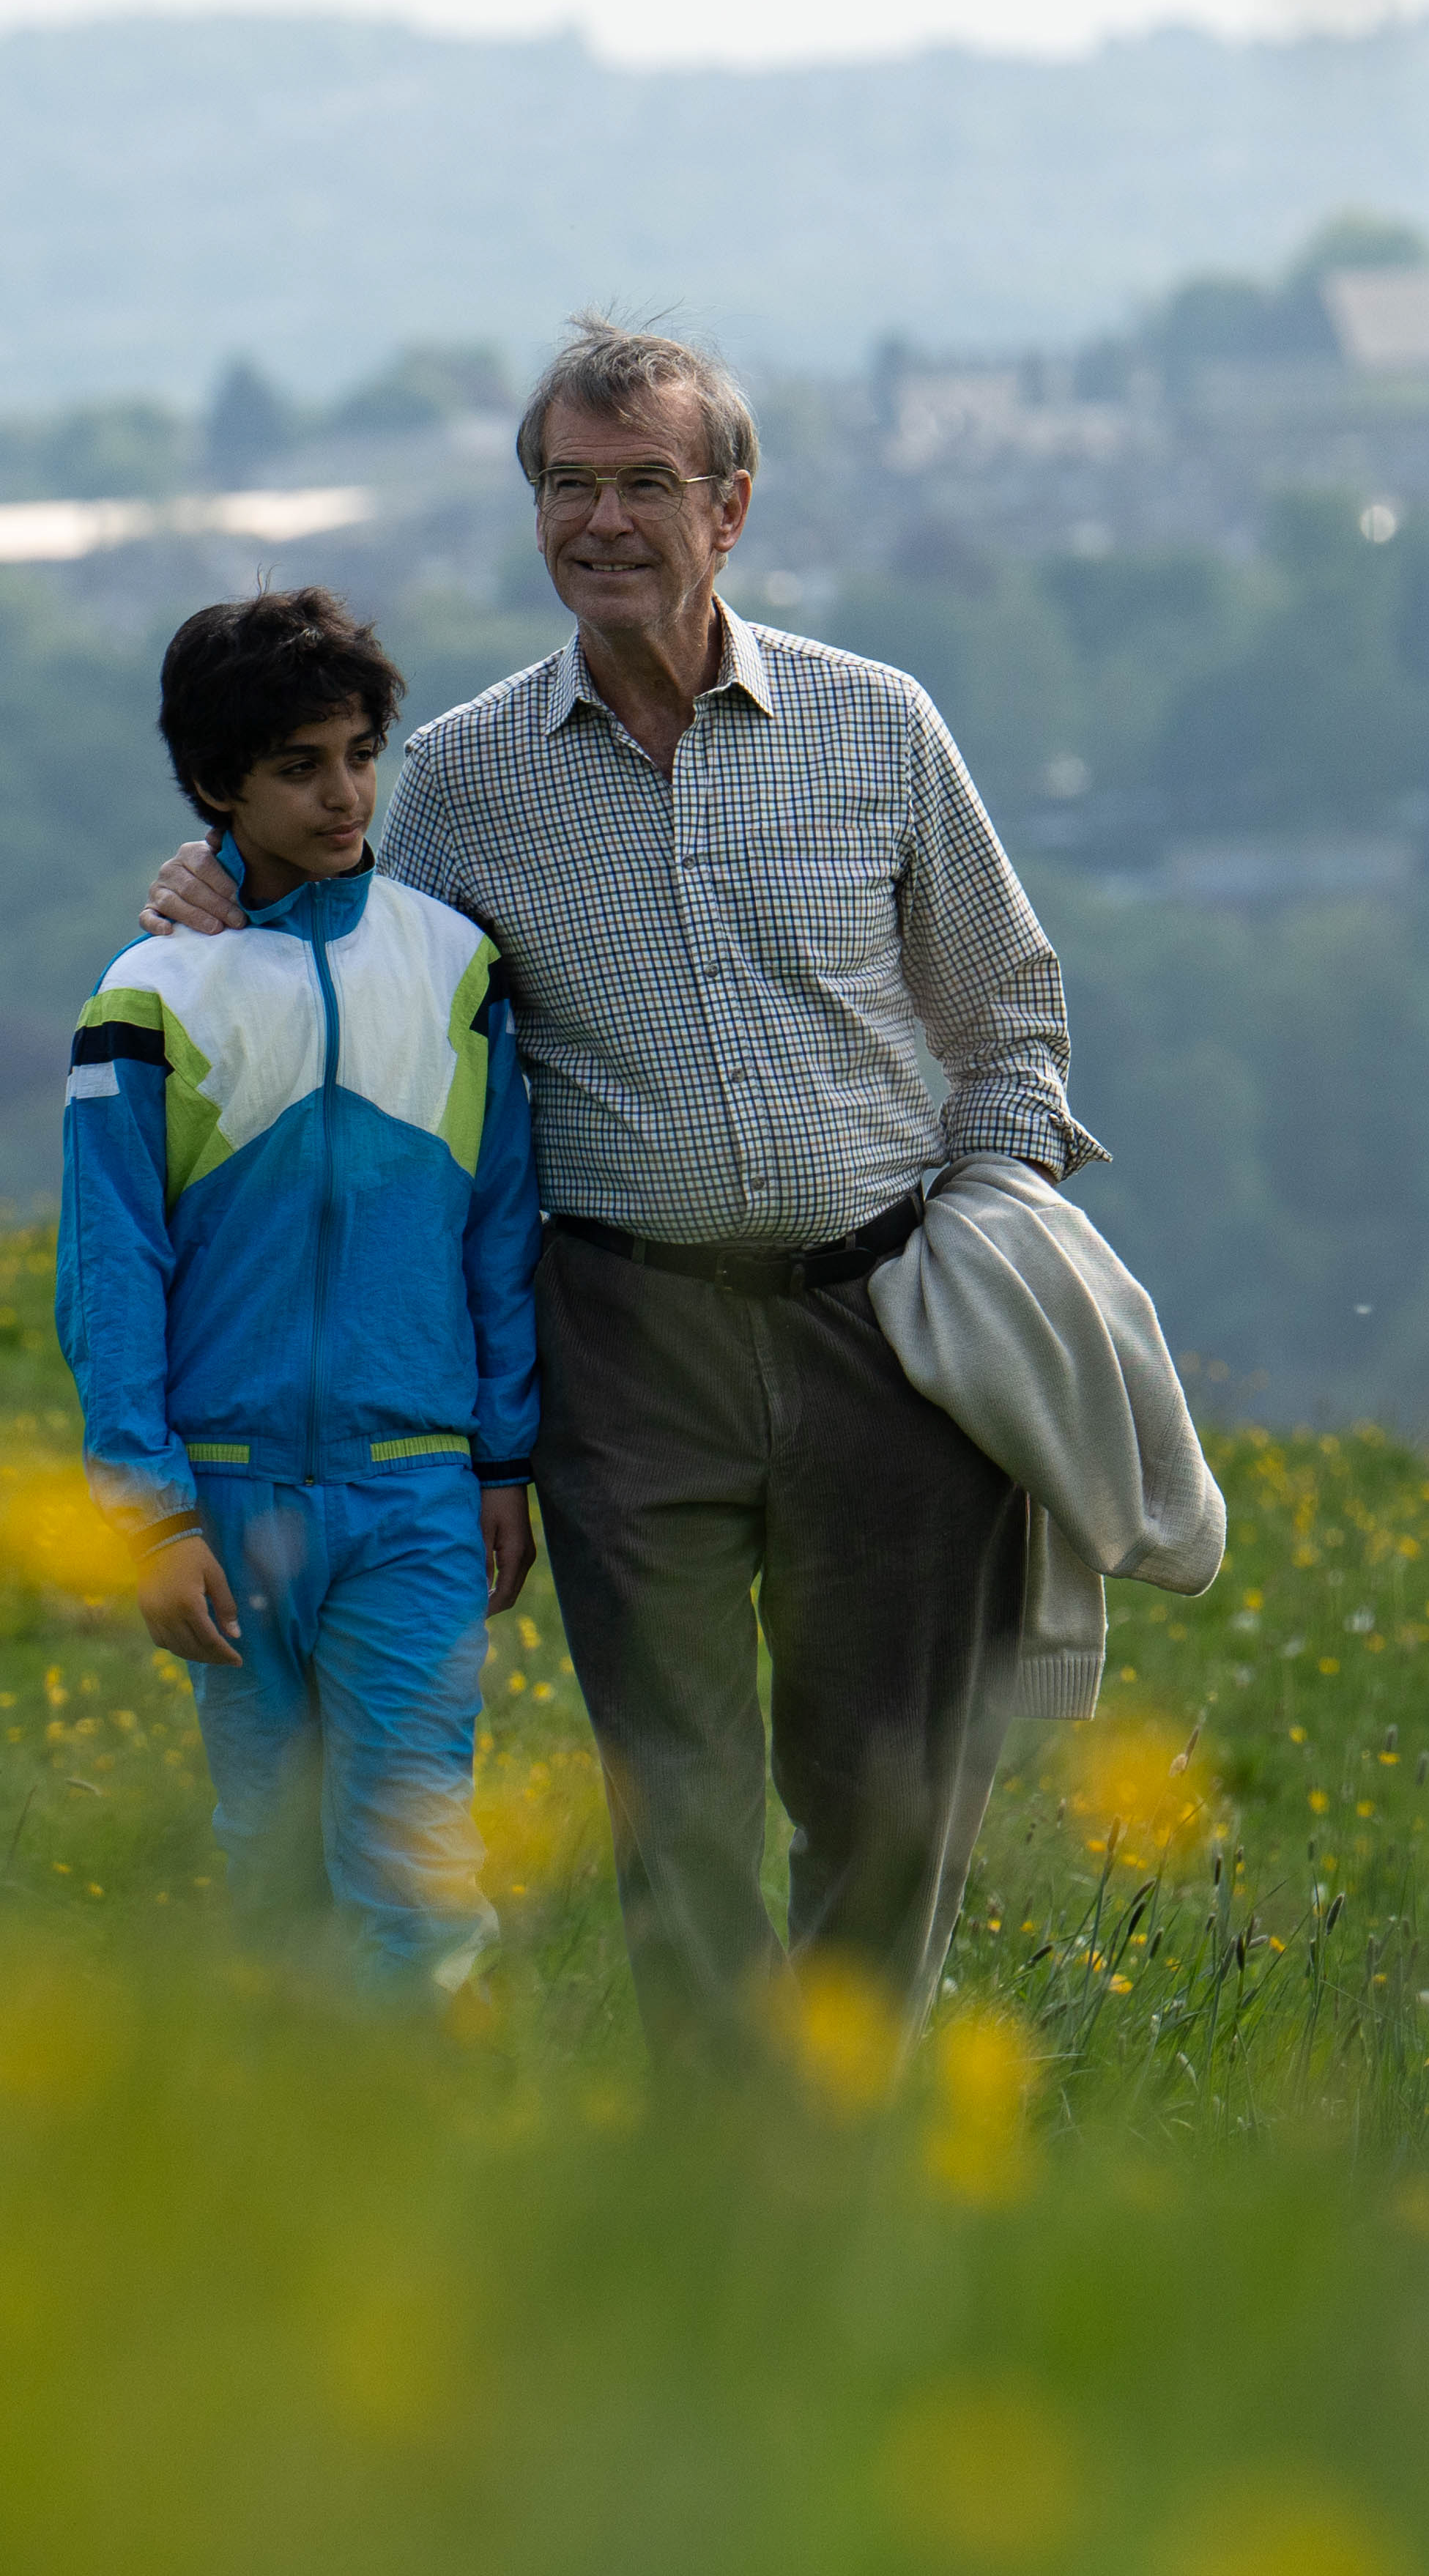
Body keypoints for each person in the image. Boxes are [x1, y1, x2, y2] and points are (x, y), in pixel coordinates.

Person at [144, 318, 1096, 2056]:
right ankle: (712, 2188)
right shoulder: (465, 779)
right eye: (565, 486)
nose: (600, 521)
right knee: (674, 1807)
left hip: (887, 1335)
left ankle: (838, 2158)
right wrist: (217, 878)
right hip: (625, 1346)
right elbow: (356, 946)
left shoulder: (876, 725)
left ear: (726, 508)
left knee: (888, 1801)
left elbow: (1008, 1011)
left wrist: (990, 1223)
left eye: (641, 483)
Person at [62, 588, 541, 1996]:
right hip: (226, 1498)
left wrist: (502, 1460)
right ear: (215, 784)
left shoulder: (457, 970)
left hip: (416, 1494)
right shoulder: (149, 993)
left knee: (414, 1868)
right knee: (269, 1875)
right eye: (296, 766)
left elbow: (499, 1234)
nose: (344, 795)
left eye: (356, 754)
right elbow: (110, 1269)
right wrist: (145, 1513)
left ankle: (439, 2176)